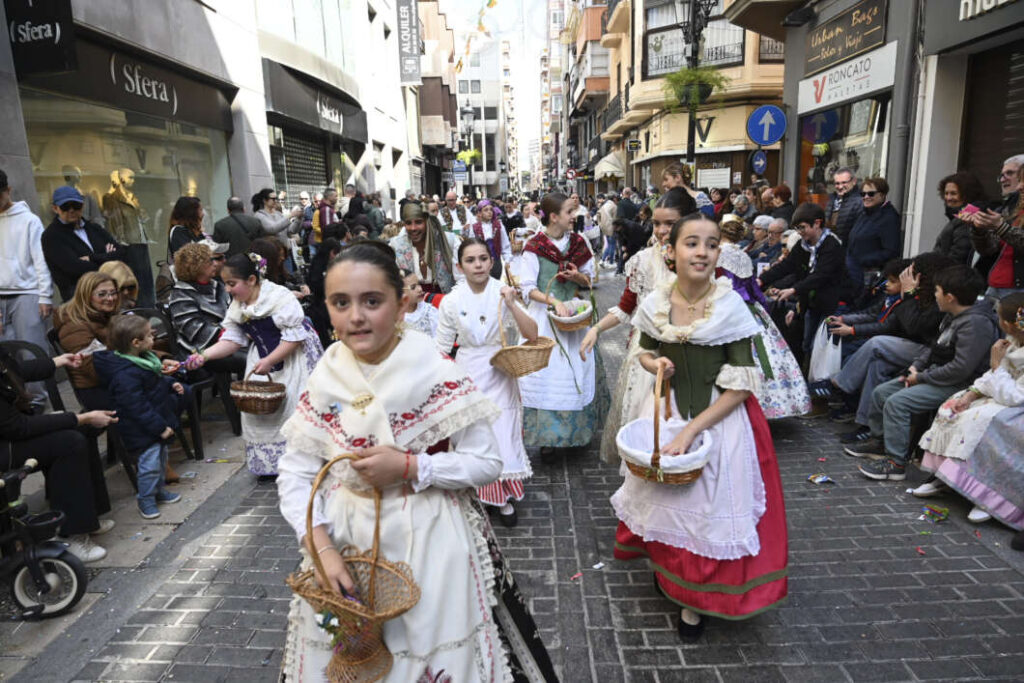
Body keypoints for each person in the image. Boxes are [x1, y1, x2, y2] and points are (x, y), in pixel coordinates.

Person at [275, 242, 556, 681]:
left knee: (430, 654)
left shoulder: (439, 371)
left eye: (372, 301)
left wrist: (412, 468)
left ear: (402, 303)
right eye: (340, 303)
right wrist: (323, 548)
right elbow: (297, 470)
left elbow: (486, 463)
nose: (356, 317)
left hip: (430, 538)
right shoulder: (325, 373)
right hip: (344, 539)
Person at [611, 212, 788, 641]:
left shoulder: (730, 306)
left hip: (720, 420)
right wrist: (659, 365)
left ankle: (696, 601)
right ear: (671, 252)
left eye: (711, 244)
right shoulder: (656, 301)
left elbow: (742, 386)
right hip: (667, 411)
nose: (703, 252)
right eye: (692, 243)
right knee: (664, 499)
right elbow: (646, 352)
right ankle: (672, 577)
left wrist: (691, 431)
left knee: (706, 510)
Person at [850, 265, 1000, 480]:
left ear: (949, 297)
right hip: (936, 374)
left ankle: (896, 464)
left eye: (937, 291)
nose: (934, 295)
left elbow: (961, 369)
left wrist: (920, 378)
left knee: (897, 403)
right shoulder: (952, 315)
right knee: (881, 393)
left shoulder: (975, 324)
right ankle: (881, 442)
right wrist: (916, 367)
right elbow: (934, 347)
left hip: (960, 384)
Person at [581, 188, 694, 463]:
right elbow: (626, 306)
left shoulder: (702, 258)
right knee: (649, 427)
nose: (662, 230)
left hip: (692, 355)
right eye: (657, 223)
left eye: (670, 223)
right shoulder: (641, 261)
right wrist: (596, 329)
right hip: (647, 355)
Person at [184, 253, 323, 478]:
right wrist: (204, 356)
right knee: (260, 412)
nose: (228, 290)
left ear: (251, 280)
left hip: (293, 358)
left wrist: (270, 360)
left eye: (232, 284)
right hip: (262, 358)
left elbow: (294, 338)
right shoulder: (238, 305)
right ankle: (272, 465)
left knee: (296, 408)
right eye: (225, 284)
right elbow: (231, 339)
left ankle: (303, 464)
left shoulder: (279, 298)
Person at [436, 239, 539, 526]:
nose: (478, 265)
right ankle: (478, 496)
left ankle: (503, 498)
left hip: (501, 369)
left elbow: (532, 333)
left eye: (483, 258)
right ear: (460, 266)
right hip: (467, 371)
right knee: (472, 437)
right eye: (470, 260)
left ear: (491, 263)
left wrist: (512, 303)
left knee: (503, 434)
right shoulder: (451, 300)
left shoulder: (502, 292)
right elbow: (442, 346)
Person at [915, 292, 1024, 530]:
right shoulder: (1013, 340)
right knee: (954, 406)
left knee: (986, 422)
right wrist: (970, 394)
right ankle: (948, 476)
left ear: (1006, 322)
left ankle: (989, 496)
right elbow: (994, 379)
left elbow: (1016, 396)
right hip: (1003, 394)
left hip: (1016, 407)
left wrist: (996, 366)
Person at [814, 254, 952, 442]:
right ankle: (868, 426)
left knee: (877, 343)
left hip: (927, 352)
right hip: (912, 348)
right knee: (878, 364)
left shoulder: (932, 299)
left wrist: (909, 295)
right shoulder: (917, 295)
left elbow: (914, 325)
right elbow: (879, 316)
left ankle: (837, 385)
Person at [0, 345, 117, 562]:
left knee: (82, 430)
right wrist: (79, 417)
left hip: (10, 435)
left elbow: (15, 370)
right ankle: (71, 534)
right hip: (5, 445)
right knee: (69, 442)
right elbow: (18, 427)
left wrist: (59, 361)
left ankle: (89, 518)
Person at [518, 192, 608, 459]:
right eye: (569, 211)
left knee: (578, 373)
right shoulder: (534, 246)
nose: (574, 216)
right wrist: (553, 301)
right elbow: (527, 289)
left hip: (576, 318)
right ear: (554, 216)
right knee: (548, 379)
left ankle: (578, 434)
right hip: (545, 320)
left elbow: (590, 280)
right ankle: (549, 438)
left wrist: (578, 276)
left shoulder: (579, 243)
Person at [718, 215, 810, 419]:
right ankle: (770, 406)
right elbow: (753, 288)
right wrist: (764, 311)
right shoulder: (742, 256)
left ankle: (731, 409)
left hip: (725, 309)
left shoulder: (716, 254)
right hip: (749, 309)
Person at [93, 316, 186, 519]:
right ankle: (145, 499)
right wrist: (159, 427)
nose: (154, 338)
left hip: (153, 420)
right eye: (150, 335)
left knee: (161, 460)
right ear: (136, 343)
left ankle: (158, 491)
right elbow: (136, 407)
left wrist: (170, 383)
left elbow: (154, 382)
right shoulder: (125, 374)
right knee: (149, 465)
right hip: (141, 428)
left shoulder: (143, 360)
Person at [759, 202, 851, 358]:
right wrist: (762, 280)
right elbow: (786, 266)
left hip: (831, 304)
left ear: (817, 223)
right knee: (807, 345)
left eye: (802, 227)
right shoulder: (803, 245)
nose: (799, 232)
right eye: (797, 228)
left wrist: (793, 290)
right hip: (810, 303)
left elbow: (820, 275)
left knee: (821, 347)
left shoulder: (832, 245)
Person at [0, 168, 54, 410]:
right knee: (6, 356)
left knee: (31, 351)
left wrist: (45, 295)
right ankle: (16, 404)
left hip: (27, 293)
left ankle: (37, 404)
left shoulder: (28, 220)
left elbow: (41, 258)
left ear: (7, 191)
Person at [166, 242, 244, 374]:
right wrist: (233, 333)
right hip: (198, 351)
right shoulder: (180, 294)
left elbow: (236, 311)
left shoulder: (218, 286)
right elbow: (196, 330)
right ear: (195, 266)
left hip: (228, 340)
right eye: (209, 261)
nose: (215, 264)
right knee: (249, 358)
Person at [42, 185, 126, 301]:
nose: (71, 210)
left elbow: (121, 254)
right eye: (65, 207)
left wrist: (92, 258)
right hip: (80, 299)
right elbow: (74, 268)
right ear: (55, 208)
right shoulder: (51, 236)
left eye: (76, 206)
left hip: (109, 295)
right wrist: (108, 259)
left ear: (82, 205)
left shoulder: (94, 228)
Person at [967, 157, 1024, 298]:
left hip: (1017, 294)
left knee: (1016, 321)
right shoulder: (1013, 210)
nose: (1019, 187)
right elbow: (989, 250)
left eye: (1022, 180)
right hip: (994, 287)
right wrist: (978, 230)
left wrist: (1001, 227)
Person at [845, 177, 901, 296]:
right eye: (863, 194)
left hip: (870, 276)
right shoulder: (865, 213)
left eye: (870, 193)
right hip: (854, 272)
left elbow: (891, 251)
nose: (866, 197)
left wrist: (864, 260)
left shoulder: (889, 217)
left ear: (882, 195)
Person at [389, 201, 460, 295]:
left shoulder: (448, 240)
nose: (413, 228)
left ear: (427, 221)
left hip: (444, 300)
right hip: (413, 301)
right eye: (408, 223)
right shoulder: (396, 245)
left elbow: (461, 279)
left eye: (418, 222)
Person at [932, 172, 985, 266]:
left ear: (967, 194)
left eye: (953, 193)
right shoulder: (957, 217)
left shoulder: (968, 218)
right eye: (946, 193)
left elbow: (958, 257)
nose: (948, 198)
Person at [463, 199, 513, 279]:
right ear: (479, 213)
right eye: (486, 210)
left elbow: (505, 245)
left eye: (491, 209)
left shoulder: (499, 225)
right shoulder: (475, 227)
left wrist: (507, 260)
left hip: (496, 263)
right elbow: (471, 247)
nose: (489, 212)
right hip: (480, 264)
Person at [825, 167, 864, 243]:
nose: (840, 186)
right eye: (837, 183)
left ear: (854, 181)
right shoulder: (831, 200)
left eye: (844, 183)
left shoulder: (859, 202)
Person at [400, 269, 439, 337]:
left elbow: (439, 339)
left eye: (419, 284)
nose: (420, 289)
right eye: (413, 287)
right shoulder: (395, 319)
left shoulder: (429, 311)